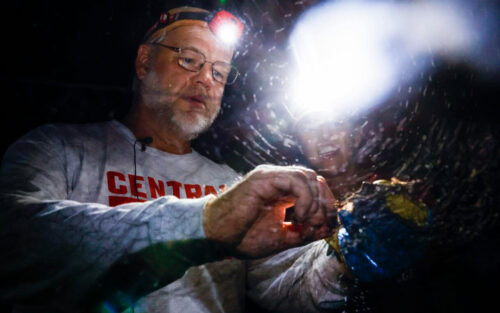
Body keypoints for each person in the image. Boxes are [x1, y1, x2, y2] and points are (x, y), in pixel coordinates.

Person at [0, 6, 350, 313]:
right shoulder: (58, 148)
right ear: (143, 61)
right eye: (189, 60)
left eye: (219, 73)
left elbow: (291, 289)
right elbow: (16, 243)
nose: (205, 80)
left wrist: (347, 254)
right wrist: (206, 223)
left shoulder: (233, 182)